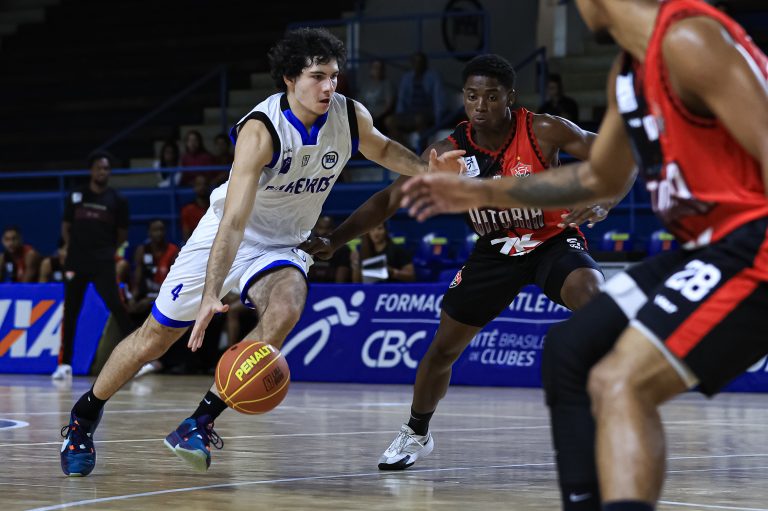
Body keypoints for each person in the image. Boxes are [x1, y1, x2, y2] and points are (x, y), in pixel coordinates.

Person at [398, 1, 768, 509]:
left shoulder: (690, 40)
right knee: (569, 353)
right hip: (706, 246)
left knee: (621, 379)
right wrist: (478, 193)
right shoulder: (628, 72)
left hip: (750, 244)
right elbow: (600, 175)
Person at [58, 27, 465, 477]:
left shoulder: (349, 116)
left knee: (287, 306)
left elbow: (383, 148)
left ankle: (198, 422)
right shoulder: (261, 130)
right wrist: (212, 293)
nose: (329, 86)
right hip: (230, 234)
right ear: (290, 78)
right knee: (154, 339)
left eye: (333, 75)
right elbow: (233, 222)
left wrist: (425, 168)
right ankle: (83, 417)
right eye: (317, 76)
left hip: (284, 243)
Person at [302, 53, 611, 470]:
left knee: (594, 297)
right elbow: (389, 200)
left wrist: (606, 198)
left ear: (510, 98)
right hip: (495, 250)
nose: (480, 105)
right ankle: (416, 433)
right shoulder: (448, 152)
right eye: (471, 96)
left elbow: (617, 154)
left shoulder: (543, 129)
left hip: (551, 240)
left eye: (491, 97)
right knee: (443, 349)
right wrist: (335, 240)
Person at [51, 152, 135, 381]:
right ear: (91, 170)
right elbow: (66, 226)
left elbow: (122, 235)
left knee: (116, 306)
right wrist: (70, 247)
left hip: (102, 262)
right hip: (76, 261)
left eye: (106, 169)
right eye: (99, 168)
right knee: (71, 311)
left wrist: (106, 251)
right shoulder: (76, 195)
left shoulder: (118, 200)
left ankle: (139, 358)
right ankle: (65, 364)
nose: (102, 172)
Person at [386, 52, 445, 149]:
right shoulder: (407, 77)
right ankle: (408, 149)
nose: (418, 64)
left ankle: (423, 150)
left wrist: (438, 120)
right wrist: (400, 115)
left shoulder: (434, 77)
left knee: (419, 119)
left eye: (420, 62)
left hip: (426, 113)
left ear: (425, 63)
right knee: (389, 121)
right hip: (409, 114)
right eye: (415, 62)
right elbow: (401, 99)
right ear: (412, 63)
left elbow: (438, 99)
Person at [306, 215, 351, 283]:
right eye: (321, 228)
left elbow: (340, 282)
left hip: (333, 288)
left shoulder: (343, 249)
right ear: (315, 229)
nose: (324, 231)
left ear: (333, 229)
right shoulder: (307, 247)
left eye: (328, 228)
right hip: (310, 286)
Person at [358, 59, 396, 129]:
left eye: (380, 68)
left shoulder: (387, 84)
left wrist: (377, 114)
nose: (378, 70)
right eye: (375, 68)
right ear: (371, 70)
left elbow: (388, 105)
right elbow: (360, 101)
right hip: (367, 114)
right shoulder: (366, 84)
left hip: (380, 116)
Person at [180, 175, 211, 241]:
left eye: (205, 184)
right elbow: (186, 235)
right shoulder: (187, 209)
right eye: (199, 184)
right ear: (194, 187)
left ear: (209, 187)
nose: (202, 187)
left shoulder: (215, 207)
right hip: (195, 244)